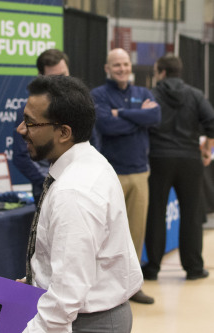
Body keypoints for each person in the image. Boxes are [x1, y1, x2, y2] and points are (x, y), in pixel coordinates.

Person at [17, 75, 143, 332]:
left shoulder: (74, 192)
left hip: (87, 321)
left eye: (31, 123)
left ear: (64, 132)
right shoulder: (84, 160)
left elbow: (66, 295)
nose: (21, 129)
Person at [91, 48, 161, 304]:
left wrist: (121, 113)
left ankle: (132, 287)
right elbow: (106, 125)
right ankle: (106, 290)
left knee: (135, 233)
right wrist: (137, 118)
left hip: (140, 173)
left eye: (125, 64)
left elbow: (155, 116)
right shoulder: (98, 95)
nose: (122, 68)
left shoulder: (143, 92)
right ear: (107, 68)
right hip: (112, 175)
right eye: (116, 65)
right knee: (106, 235)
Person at [143, 54, 214, 281]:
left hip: (159, 159)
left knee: (156, 212)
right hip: (189, 159)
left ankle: (152, 268)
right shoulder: (195, 95)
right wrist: (206, 149)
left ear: (161, 72)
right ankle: (193, 268)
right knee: (191, 214)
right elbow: (212, 122)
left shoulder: (152, 95)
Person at [12, 49, 69, 204]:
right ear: (41, 77)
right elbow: (21, 156)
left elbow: (93, 145)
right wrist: (48, 182)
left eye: (63, 76)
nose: (60, 82)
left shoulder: (80, 107)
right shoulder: (28, 110)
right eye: (53, 78)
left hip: (79, 186)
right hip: (46, 192)